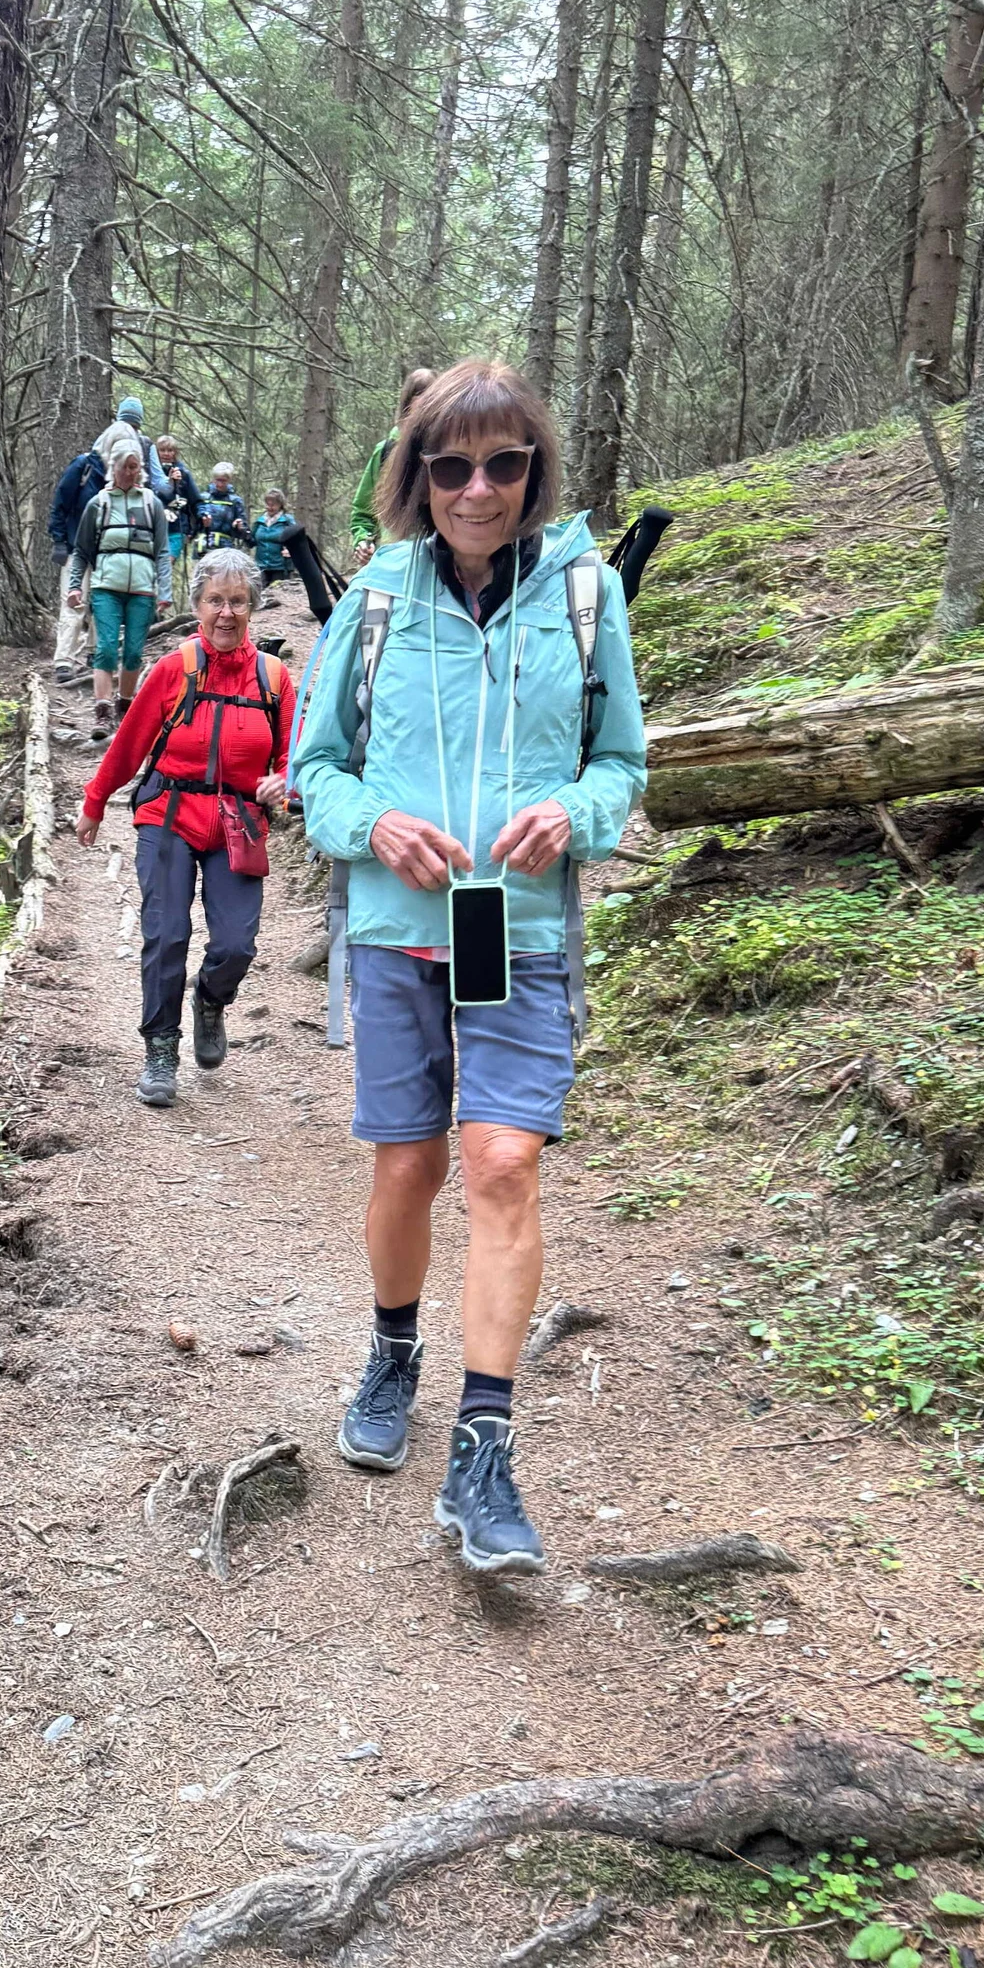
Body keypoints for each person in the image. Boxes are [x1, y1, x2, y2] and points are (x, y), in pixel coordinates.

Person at [295, 357, 646, 1577]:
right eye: (453, 466)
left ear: (533, 472)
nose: (479, 488)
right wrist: (373, 827)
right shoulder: (377, 601)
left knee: (502, 1163)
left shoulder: (588, 596)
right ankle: (394, 1351)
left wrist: (575, 815)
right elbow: (316, 765)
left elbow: (621, 764)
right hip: (400, 925)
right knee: (412, 1163)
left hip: (517, 927)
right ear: (418, 477)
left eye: (503, 465)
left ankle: (484, 1446)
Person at [78, 549, 294, 1107]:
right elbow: (129, 742)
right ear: (197, 606)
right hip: (168, 814)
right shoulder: (176, 668)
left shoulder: (273, 677)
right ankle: (160, 1048)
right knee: (168, 932)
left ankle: (211, 1000)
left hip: (238, 822)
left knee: (237, 945)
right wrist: (96, 801)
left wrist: (285, 785)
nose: (227, 613)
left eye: (238, 602)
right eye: (216, 601)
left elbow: (294, 758)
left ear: (253, 607)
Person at [65, 441, 172, 741]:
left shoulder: (152, 504)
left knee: (135, 651)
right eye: (123, 466)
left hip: (142, 590)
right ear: (113, 468)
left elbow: (162, 551)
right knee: (107, 648)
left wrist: (165, 590)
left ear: (140, 470)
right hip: (105, 588)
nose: (128, 472)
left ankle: (124, 707)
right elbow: (82, 551)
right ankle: (102, 713)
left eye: (133, 466)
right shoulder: (98, 504)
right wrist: (75, 586)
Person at [349, 366, 435, 566]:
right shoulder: (386, 451)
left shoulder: (448, 454)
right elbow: (362, 512)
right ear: (407, 406)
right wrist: (363, 541)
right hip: (390, 565)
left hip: (438, 568)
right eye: (419, 398)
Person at [48, 444, 108, 680]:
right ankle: (64, 661)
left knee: (101, 602)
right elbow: (60, 503)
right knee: (73, 601)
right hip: (75, 548)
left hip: (106, 552)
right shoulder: (83, 466)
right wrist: (59, 539)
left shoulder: (123, 471)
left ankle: (95, 652)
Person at [96, 395, 171, 500]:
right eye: (125, 424)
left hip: (137, 504)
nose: (128, 431)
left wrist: (171, 481)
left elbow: (159, 481)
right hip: (108, 502)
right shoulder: (104, 442)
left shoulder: (146, 445)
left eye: (133, 427)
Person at [194, 462, 250, 554]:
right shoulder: (202, 498)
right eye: (217, 480)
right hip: (203, 544)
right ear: (213, 479)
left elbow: (244, 530)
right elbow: (194, 523)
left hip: (226, 547)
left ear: (229, 480)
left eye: (223, 481)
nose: (220, 484)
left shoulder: (235, 501)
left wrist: (240, 526)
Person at [251, 488, 293, 603]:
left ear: (280, 505)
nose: (269, 507)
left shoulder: (287, 521)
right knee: (259, 593)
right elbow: (251, 541)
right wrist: (240, 531)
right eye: (267, 504)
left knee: (278, 596)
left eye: (273, 504)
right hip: (261, 565)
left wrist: (291, 550)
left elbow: (298, 539)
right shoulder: (259, 522)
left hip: (280, 566)